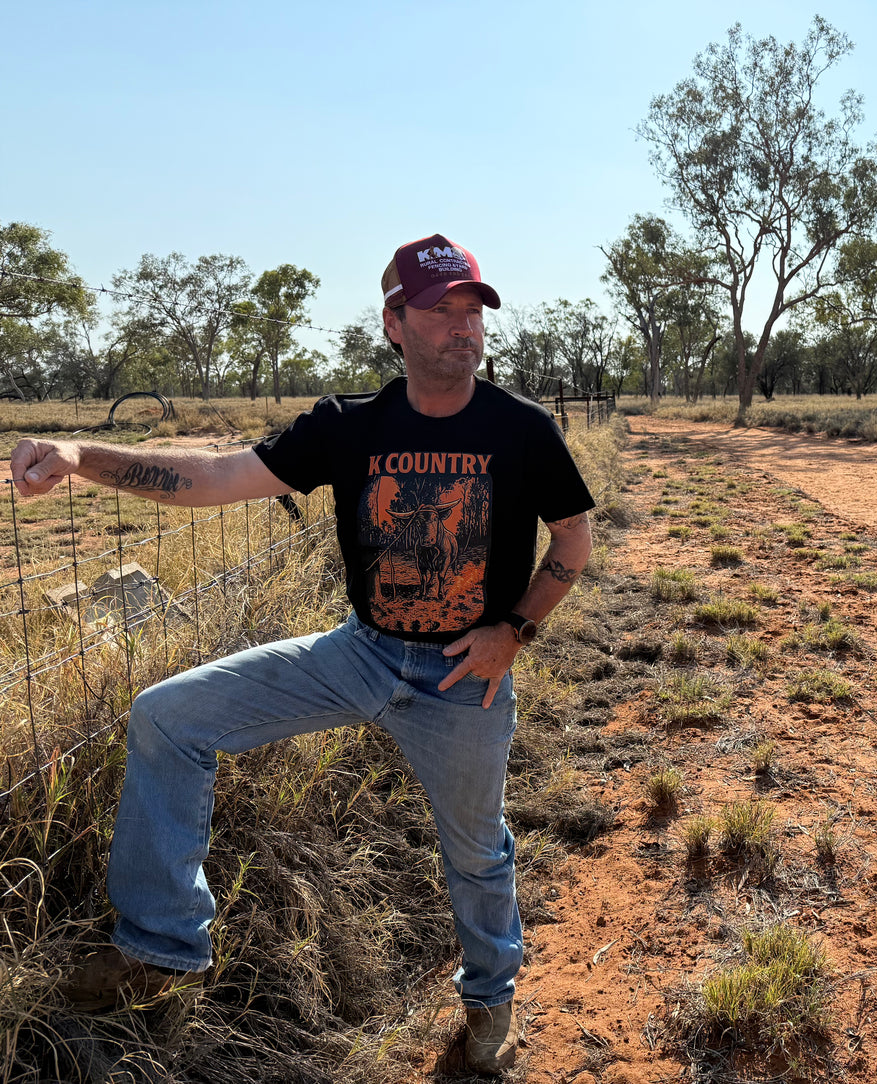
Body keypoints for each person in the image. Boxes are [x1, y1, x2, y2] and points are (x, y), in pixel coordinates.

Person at [9, 233, 593, 1074]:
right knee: (167, 717)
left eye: (472, 310)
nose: (463, 327)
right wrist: (78, 456)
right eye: (440, 311)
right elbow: (211, 478)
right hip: (360, 652)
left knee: (476, 849)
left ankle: (489, 998)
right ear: (394, 324)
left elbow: (572, 537)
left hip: (464, 676)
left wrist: (517, 631)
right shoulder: (345, 427)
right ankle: (162, 946)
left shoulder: (522, 429)